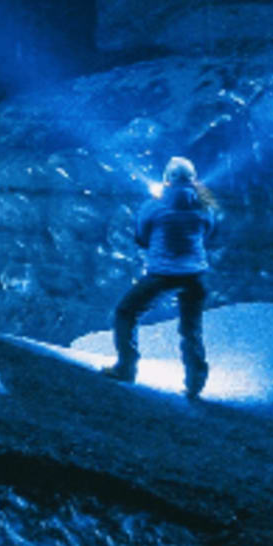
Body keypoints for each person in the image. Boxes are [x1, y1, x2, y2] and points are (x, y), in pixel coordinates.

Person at [108, 155, 218, 397]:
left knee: (125, 312)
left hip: (162, 274)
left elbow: (141, 237)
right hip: (196, 276)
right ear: (194, 180)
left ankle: (126, 367)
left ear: (166, 179)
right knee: (191, 329)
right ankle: (195, 383)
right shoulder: (205, 208)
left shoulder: (153, 207)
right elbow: (208, 235)